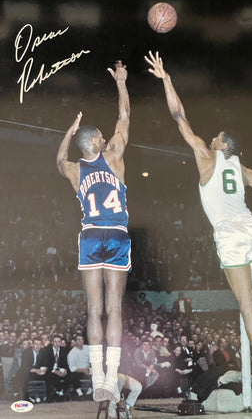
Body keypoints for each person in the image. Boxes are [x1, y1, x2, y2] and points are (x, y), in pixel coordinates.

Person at [145, 50, 252, 408]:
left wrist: (166, 79)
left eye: (217, 137)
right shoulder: (244, 170)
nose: (211, 139)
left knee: (246, 305)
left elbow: (179, 117)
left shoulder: (207, 159)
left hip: (229, 233)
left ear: (224, 145)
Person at [56, 60, 130, 403]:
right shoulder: (113, 157)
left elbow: (58, 162)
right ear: (97, 142)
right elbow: (125, 118)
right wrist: (120, 82)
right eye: (101, 136)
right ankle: (112, 378)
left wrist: (70, 132)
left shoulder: (74, 169)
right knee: (113, 308)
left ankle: (99, 378)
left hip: (89, 237)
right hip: (116, 233)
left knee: (93, 309)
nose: (105, 137)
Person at [67, 334, 93, 399]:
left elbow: (93, 358)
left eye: (82, 339)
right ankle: (80, 393)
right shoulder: (72, 353)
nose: (81, 341)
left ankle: (89, 392)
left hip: (88, 369)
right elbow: (72, 368)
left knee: (98, 373)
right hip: (78, 371)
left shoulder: (87, 348)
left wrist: (89, 368)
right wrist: (83, 370)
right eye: (78, 340)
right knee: (73, 375)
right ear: (75, 342)